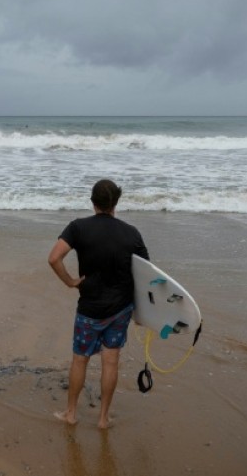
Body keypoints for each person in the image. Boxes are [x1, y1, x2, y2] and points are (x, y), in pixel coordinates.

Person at [47, 179, 149, 429]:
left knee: (80, 360)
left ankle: (70, 413)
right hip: (120, 309)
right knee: (111, 361)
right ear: (116, 203)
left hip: (90, 308)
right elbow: (146, 275)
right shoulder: (131, 232)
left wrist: (70, 281)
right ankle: (103, 418)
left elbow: (53, 258)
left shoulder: (78, 228)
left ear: (92, 202)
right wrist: (142, 312)